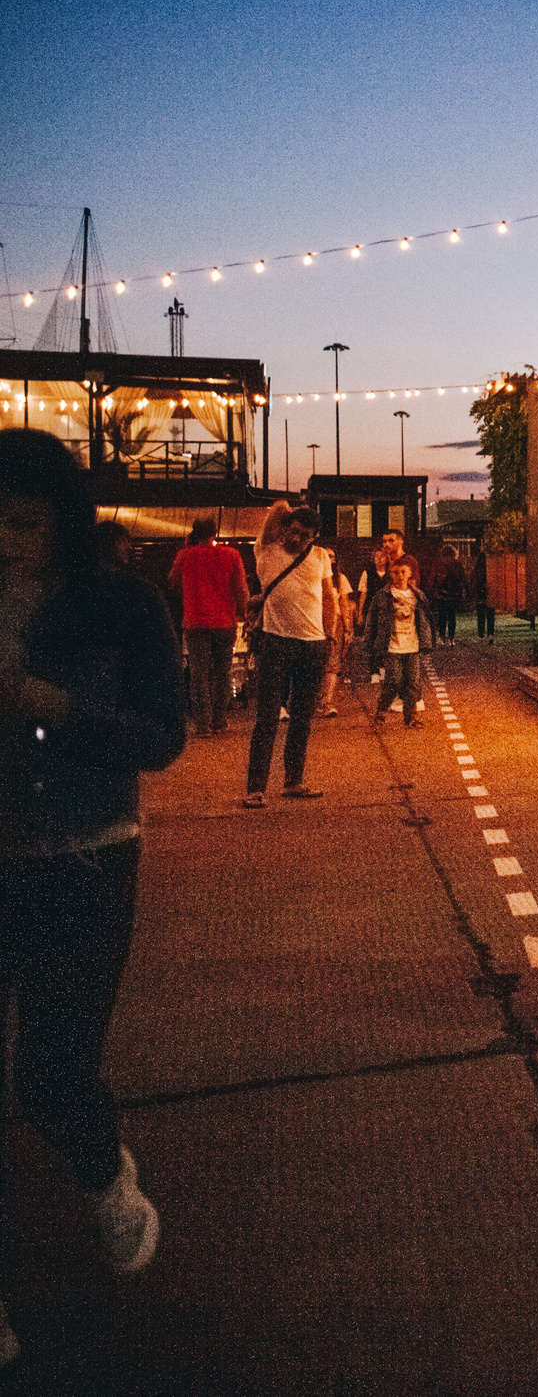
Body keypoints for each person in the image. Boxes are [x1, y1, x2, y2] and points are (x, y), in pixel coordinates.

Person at [0, 429, 183, 1359]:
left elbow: (161, 736)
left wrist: (45, 702)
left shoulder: (121, 607)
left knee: (51, 1072)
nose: (6, 541)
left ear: (64, 524)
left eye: (25, 523)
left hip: (82, 858)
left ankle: (106, 1174)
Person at [244, 500, 339, 808]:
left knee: (302, 718)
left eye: (306, 535)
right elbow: (275, 511)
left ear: (314, 538)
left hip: (312, 644)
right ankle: (255, 789)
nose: (298, 539)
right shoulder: (266, 549)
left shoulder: (321, 556)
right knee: (267, 717)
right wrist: (287, 509)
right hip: (275, 642)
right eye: (294, 531)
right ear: (285, 528)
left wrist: (331, 635)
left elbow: (328, 597)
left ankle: (293, 782)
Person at [169, 516, 248, 736]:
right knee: (222, 672)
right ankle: (219, 720)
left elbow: (173, 580)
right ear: (215, 532)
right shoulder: (231, 554)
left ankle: (202, 724)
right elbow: (241, 588)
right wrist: (244, 612)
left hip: (195, 621)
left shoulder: (185, 555)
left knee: (198, 674)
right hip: (224, 621)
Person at [364, 559, 434, 727]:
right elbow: (372, 620)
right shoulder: (382, 595)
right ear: (390, 574)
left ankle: (410, 717)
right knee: (393, 681)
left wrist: (428, 640)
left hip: (413, 644)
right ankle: (381, 712)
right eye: (395, 572)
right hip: (392, 646)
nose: (400, 576)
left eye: (403, 572)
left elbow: (427, 618)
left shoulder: (418, 595)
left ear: (410, 573)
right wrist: (370, 643)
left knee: (413, 683)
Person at [315, 548, 354, 717]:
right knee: (316, 664)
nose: (328, 558)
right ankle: (316, 698)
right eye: (325, 555)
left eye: (331, 556)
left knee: (332, 664)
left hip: (334, 623)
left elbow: (344, 604)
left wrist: (347, 627)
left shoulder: (340, 579)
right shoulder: (312, 577)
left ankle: (327, 702)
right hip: (314, 623)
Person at [427, 542, 466, 644]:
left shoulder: (438, 563)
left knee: (442, 616)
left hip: (441, 594)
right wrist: (465, 590)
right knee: (452, 616)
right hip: (454, 594)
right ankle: (452, 638)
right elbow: (463, 578)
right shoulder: (458, 563)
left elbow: (432, 578)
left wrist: (431, 590)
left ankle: (442, 637)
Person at [468, 544, 493, 639]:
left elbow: (472, 581)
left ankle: (481, 633)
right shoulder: (490, 569)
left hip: (480, 594)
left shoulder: (477, 570)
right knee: (490, 614)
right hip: (489, 593)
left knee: (481, 615)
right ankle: (490, 633)